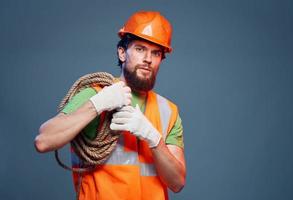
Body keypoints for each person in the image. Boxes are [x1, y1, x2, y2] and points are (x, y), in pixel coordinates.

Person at [35, 10, 186, 200]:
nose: (148, 59)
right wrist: (98, 104)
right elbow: (43, 141)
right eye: (140, 49)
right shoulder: (96, 94)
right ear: (122, 53)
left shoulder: (168, 111)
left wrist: (154, 139)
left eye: (155, 53)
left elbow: (177, 182)